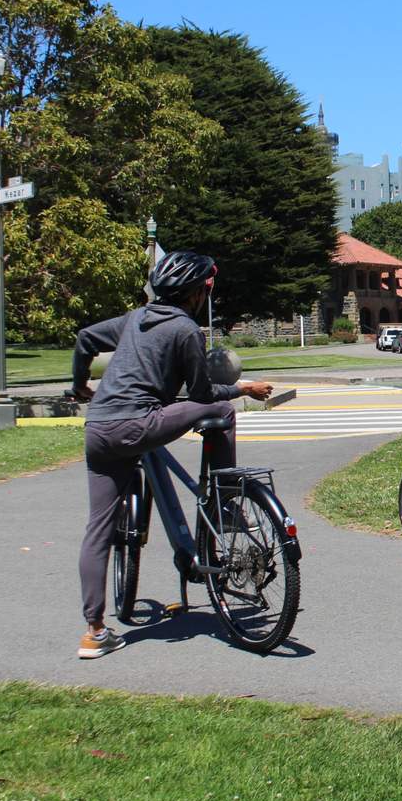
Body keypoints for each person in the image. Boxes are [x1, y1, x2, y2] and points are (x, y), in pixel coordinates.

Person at [71, 251, 273, 659]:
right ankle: (226, 499)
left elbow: (85, 339)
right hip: (141, 422)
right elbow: (202, 394)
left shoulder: (135, 319)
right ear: (197, 293)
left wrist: (80, 387)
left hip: (99, 428)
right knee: (222, 411)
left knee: (98, 528)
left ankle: (94, 631)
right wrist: (244, 388)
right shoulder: (185, 330)